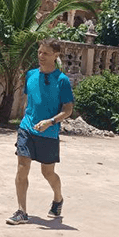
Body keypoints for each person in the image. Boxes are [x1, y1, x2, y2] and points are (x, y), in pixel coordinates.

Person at [6, 39, 75, 225]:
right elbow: (29, 102)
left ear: (56, 55)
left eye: (45, 53)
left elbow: (68, 110)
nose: (41, 56)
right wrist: (26, 120)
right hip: (27, 129)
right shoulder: (30, 75)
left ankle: (58, 198)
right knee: (22, 167)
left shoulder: (62, 81)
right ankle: (22, 211)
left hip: (48, 133)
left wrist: (50, 122)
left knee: (48, 172)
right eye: (39, 52)